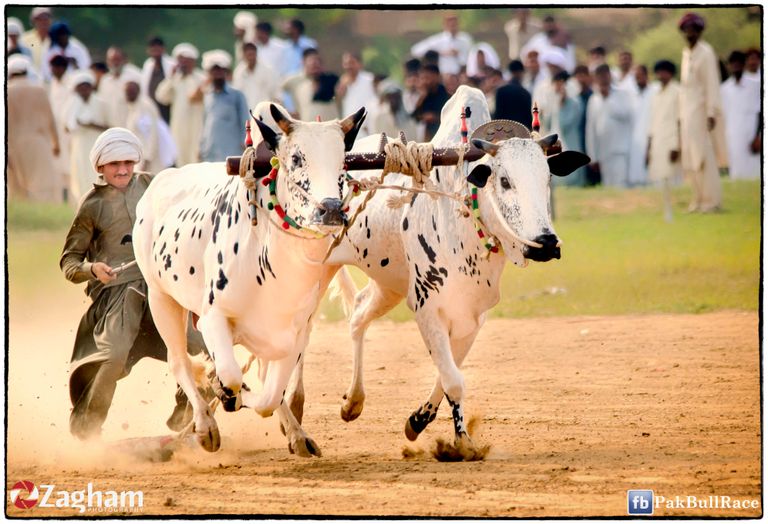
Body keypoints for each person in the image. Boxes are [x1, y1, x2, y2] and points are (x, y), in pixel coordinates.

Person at [60, 128, 205, 440]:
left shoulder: (155, 186)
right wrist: (92, 268)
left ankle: (189, 412)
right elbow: (69, 263)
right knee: (111, 357)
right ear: (99, 167)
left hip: (163, 287)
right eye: (114, 164)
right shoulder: (91, 205)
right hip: (117, 297)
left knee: (203, 347)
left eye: (128, 161)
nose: (123, 169)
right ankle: (87, 428)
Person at [678, 12, 722, 213]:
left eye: (694, 30)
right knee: (690, 158)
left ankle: (711, 201)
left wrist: (712, 112)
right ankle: (697, 200)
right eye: (687, 30)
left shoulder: (706, 52)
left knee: (704, 156)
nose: (690, 34)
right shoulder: (686, 54)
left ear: (699, 31)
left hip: (702, 111)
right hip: (687, 113)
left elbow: (712, 84)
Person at [7, 54, 61, 203]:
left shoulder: (7, 92)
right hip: (39, 143)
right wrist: (56, 143)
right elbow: (51, 120)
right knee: (42, 186)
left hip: (14, 146)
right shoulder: (40, 91)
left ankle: (25, 221)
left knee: (17, 188)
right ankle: (43, 218)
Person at [155, 43, 206, 166]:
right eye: (181, 61)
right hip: (178, 128)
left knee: (196, 160)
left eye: (187, 61)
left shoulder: (201, 78)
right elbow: (161, 97)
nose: (184, 64)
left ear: (193, 62)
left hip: (197, 127)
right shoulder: (174, 79)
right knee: (180, 161)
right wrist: (170, 78)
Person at [64, 71, 109, 203]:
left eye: (86, 86)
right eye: (80, 87)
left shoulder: (101, 103)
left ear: (91, 87)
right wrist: (76, 123)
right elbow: (66, 127)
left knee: (95, 174)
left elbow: (109, 126)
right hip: (79, 145)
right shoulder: (72, 105)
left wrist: (90, 125)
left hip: (96, 144)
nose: (84, 90)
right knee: (80, 175)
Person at [585, 64, 634, 188]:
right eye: (599, 75)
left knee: (620, 184)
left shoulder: (621, 94)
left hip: (620, 149)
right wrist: (592, 156)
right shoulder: (593, 99)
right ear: (595, 78)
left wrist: (608, 98)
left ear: (609, 76)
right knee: (608, 186)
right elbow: (591, 129)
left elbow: (626, 115)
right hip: (602, 151)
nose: (603, 78)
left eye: (605, 75)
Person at [647, 60, 682, 222]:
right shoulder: (656, 93)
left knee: (674, 178)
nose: (661, 75)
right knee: (661, 179)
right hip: (658, 141)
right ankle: (666, 213)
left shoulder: (678, 91)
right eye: (658, 72)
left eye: (664, 72)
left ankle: (676, 213)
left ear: (671, 73)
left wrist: (677, 145)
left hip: (673, 140)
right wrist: (649, 147)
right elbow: (653, 122)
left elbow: (680, 120)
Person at [200, 50, 250, 162]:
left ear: (226, 72)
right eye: (214, 70)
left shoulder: (237, 95)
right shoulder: (207, 95)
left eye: (220, 70)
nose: (217, 73)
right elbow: (205, 124)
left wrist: (245, 143)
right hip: (210, 151)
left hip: (232, 151)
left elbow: (245, 121)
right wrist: (201, 147)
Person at [124, 71, 175, 174]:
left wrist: (147, 159)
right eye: (127, 92)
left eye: (131, 92)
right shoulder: (132, 107)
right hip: (138, 157)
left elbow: (153, 134)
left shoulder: (145, 107)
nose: (129, 95)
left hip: (151, 159)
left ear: (138, 91)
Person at [721, 51, 761, 180]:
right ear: (729, 66)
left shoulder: (756, 85)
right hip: (732, 137)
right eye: (733, 64)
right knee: (737, 174)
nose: (736, 67)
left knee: (756, 173)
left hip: (753, 137)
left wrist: (758, 137)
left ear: (744, 65)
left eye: (739, 64)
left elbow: (760, 113)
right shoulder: (724, 89)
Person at [544, 71, 585, 187]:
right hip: (554, 142)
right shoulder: (552, 101)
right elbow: (547, 124)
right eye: (556, 84)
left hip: (570, 141)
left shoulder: (575, 103)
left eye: (561, 84)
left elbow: (566, 124)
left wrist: (562, 105)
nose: (558, 87)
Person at [282, 48, 340, 122]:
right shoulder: (295, 81)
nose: (315, 64)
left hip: (329, 125)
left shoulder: (331, 79)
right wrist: (286, 112)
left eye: (318, 61)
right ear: (303, 62)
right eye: (312, 62)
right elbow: (276, 91)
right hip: (307, 126)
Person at [627, 65, 657, 187]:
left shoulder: (655, 91)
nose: (638, 79)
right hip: (635, 140)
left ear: (646, 76)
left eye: (640, 76)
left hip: (652, 136)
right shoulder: (631, 95)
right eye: (636, 77)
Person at [99, 46, 143, 127]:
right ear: (107, 61)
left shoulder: (135, 76)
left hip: (132, 127)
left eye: (117, 59)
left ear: (124, 60)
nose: (115, 63)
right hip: (112, 128)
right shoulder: (105, 81)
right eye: (112, 60)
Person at [336, 51, 377, 134]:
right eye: (346, 63)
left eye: (352, 63)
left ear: (360, 64)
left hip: (368, 127)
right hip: (350, 128)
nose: (348, 66)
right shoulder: (343, 82)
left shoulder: (370, 79)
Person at [233, 42, 281, 110]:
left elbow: (276, 94)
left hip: (265, 112)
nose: (250, 57)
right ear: (244, 55)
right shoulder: (239, 72)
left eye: (252, 54)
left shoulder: (268, 70)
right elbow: (237, 95)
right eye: (248, 54)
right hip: (246, 113)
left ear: (256, 53)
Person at [140, 36, 175, 124]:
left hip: (168, 108)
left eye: (158, 46)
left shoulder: (171, 64)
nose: (155, 49)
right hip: (151, 109)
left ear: (163, 48)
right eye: (152, 46)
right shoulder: (148, 65)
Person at [412, 63, 449, 141]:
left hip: (445, 138)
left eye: (427, 78)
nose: (425, 81)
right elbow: (415, 117)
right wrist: (422, 96)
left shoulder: (446, 95)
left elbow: (451, 118)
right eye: (422, 78)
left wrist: (435, 118)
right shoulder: (426, 96)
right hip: (429, 139)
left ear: (437, 77)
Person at [494, 60, 532, 128]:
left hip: (504, 131)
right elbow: (529, 117)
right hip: (522, 132)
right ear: (521, 72)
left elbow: (497, 115)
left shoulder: (501, 91)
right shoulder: (525, 93)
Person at [21, 7, 52, 72]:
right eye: (39, 19)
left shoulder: (58, 37)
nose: (43, 21)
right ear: (33, 21)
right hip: (31, 78)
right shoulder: (24, 39)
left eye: (46, 18)